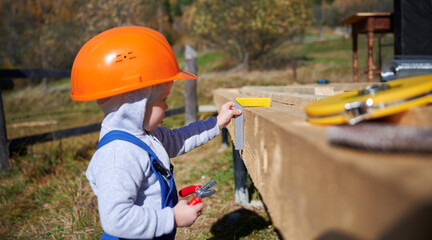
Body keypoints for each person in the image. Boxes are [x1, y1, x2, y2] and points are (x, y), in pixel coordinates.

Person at [70, 26, 241, 240]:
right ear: (136, 105)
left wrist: (217, 123)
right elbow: (116, 219)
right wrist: (172, 218)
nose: (167, 107)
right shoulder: (119, 155)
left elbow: (180, 138)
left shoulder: (146, 136)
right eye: (163, 100)